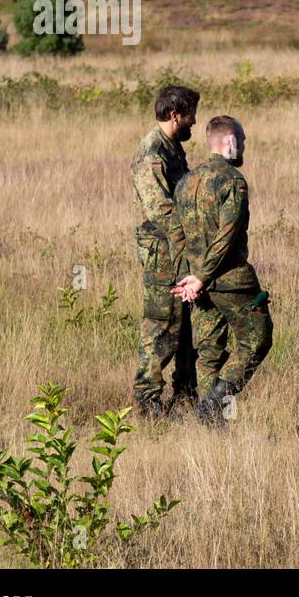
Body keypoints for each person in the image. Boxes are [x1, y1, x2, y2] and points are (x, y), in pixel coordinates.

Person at [172, 116, 272, 425]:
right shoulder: (232, 180)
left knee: (209, 352)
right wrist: (201, 277)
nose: (244, 145)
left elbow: (178, 234)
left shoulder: (186, 182)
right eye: (241, 140)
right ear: (229, 142)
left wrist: (190, 277)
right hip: (229, 281)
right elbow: (226, 237)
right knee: (257, 339)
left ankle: (212, 429)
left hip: (196, 284)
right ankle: (212, 406)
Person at [131, 85, 200, 418]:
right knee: (162, 323)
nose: (195, 122)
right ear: (175, 115)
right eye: (190, 115)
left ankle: (185, 394)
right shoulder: (152, 152)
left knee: (186, 323)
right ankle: (147, 401)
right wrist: (190, 238)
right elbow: (160, 208)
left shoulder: (172, 147)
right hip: (163, 249)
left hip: (178, 247)